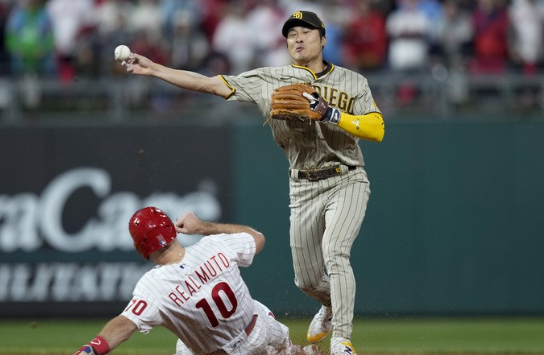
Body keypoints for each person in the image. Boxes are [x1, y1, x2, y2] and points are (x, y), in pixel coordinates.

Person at [122, 10, 385, 355]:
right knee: (306, 280)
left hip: (346, 177)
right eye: (291, 34)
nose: (298, 38)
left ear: (323, 39)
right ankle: (331, 305)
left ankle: (342, 341)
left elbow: (376, 129)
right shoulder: (270, 79)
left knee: (335, 252)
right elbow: (210, 84)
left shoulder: (353, 83)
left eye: (306, 32)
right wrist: (155, 69)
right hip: (303, 186)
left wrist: (328, 112)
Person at [73, 206, 293, 355]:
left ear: (140, 248)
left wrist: (91, 350)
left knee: (185, 348)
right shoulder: (214, 245)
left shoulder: (154, 285)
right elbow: (257, 238)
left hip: (219, 352)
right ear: (172, 230)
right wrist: (202, 227)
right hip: (261, 332)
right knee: (257, 309)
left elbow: (125, 325)